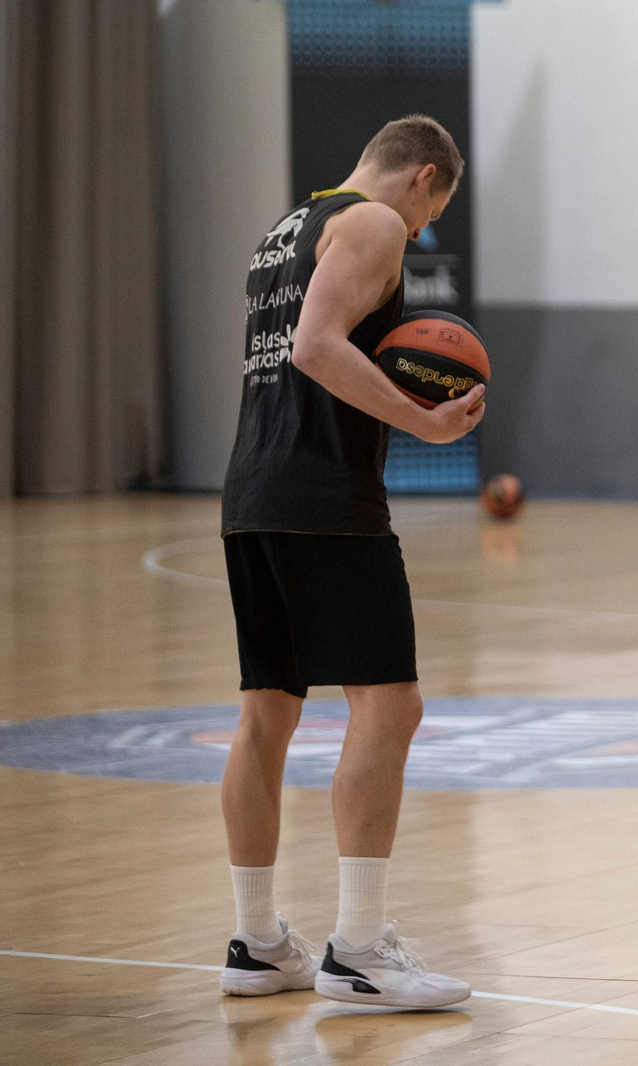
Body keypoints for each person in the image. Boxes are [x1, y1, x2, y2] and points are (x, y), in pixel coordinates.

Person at [216, 115, 484, 1008]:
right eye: (431, 216)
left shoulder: (286, 231)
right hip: (326, 499)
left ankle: (258, 943)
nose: (422, 232)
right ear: (424, 178)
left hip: (253, 493)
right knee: (390, 706)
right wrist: (425, 422)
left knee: (265, 715)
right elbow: (315, 347)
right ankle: (361, 948)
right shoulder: (372, 222)